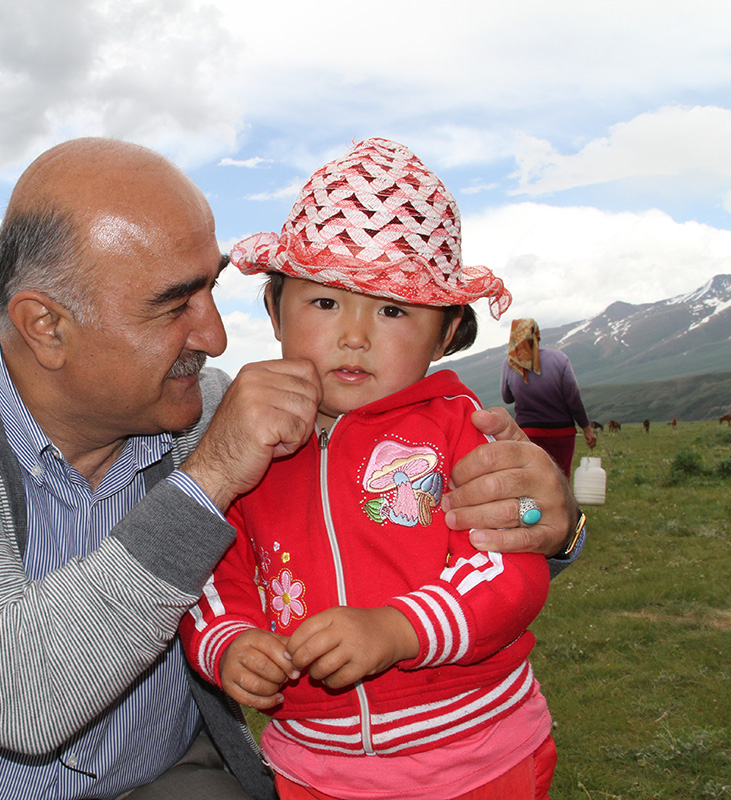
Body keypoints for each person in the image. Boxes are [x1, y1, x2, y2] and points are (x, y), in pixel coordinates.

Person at [0, 138, 581, 800]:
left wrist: (548, 518)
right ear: (46, 325)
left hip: (171, 780)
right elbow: (17, 698)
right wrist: (209, 478)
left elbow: (390, 494)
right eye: (175, 304)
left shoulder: (216, 406)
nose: (215, 337)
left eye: (212, 289)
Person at [179, 139, 563, 800]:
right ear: (274, 310)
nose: (355, 335)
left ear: (446, 332)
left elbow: (509, 569)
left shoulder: (460, 429)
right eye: (325, 303)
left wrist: (398, 629)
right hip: (314, 771)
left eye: (392, 309)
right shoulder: (246, 440)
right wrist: (231, 643)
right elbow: (214, 569)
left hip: (476, 757)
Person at [501, 318, 597, 476]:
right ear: (537, 335)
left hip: (527, 433)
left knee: (531, 479)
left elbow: (507, 398)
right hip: (561, 433)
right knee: (560, 479)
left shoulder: (510, 364)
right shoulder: (560, 359)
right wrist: (586, 429)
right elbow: (573, 399)